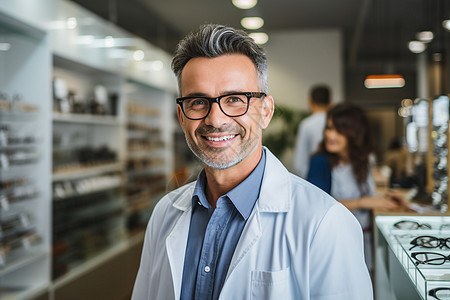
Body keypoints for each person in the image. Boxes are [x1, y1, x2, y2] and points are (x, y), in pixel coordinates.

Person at [131, 24, 373, 300]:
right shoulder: (164, 214)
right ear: (181, 116)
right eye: (198, 102)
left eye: (234, 99)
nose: (215, 119)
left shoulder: (326, 223)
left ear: (266, 111)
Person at [307, 103, 408, 272]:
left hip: (363, 239)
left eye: (339, 131)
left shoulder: (364, 160)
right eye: (329, 128)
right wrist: (362, 202)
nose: (330, 135)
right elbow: (317, 206)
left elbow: (366, 193)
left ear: (355, 133)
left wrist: (385, 199)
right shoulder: (321, 162)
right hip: (333, 242)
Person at [293, 85, 331, 178]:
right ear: (330, 103)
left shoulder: (306, 124)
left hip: (312, 178)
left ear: (310, 101)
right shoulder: (336, 123)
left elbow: (299, 162)